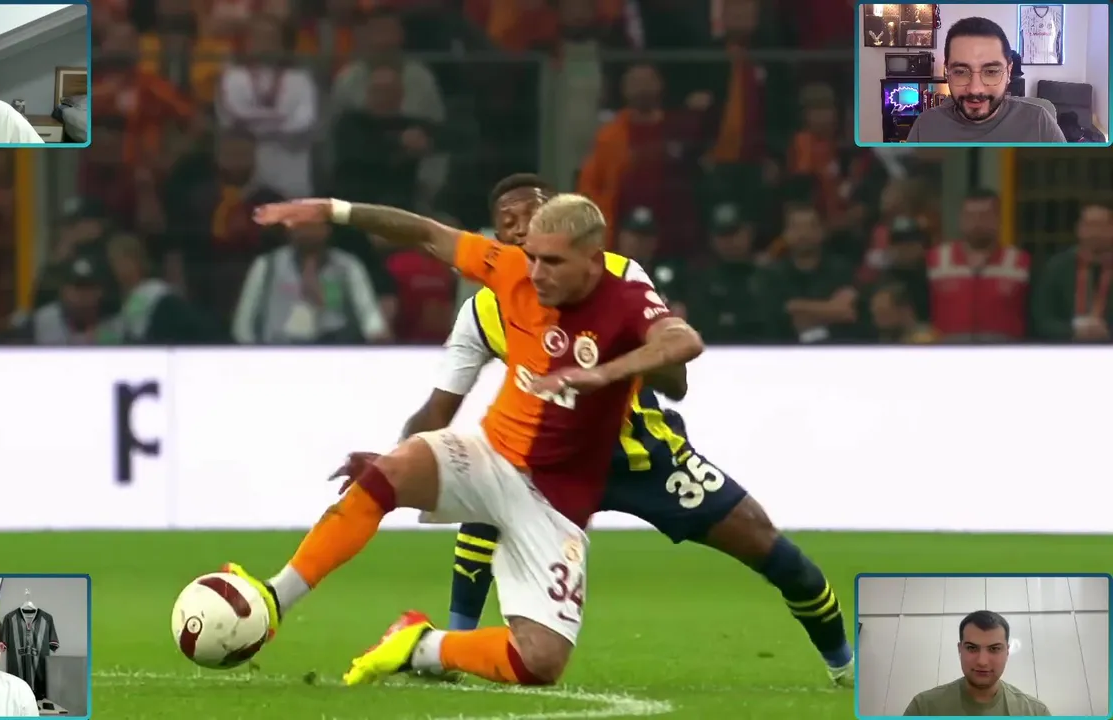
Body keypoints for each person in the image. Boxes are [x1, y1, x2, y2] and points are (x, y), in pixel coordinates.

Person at [340, 176, 856, 687]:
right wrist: (392, 465)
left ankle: (846, 667)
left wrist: (614, 358)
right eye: (508, 223)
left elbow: (676, 382)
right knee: (486, 497)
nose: (521, 231)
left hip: (640, 455)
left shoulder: (620, 279)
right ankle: (445, 647)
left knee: (764, 542)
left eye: (534, 217)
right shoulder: (481, 313)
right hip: (547, 464)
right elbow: (438, 408)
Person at [235, 193, 704, 687]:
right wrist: (336, 211)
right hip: (490, 458)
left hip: (556, 501)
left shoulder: (625, 298)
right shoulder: (511, 269)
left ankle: (421, 645)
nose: (536, 272)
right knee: (388, 474)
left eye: (552, 261)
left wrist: (603, 373)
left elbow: (683, 341)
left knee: (539, 663)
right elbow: (425, 232)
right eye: (533, 257)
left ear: (592, 260)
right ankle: (273, 599)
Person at [904, 18, 1064, 144]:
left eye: (991, 72)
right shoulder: (924, 127)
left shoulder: (1039, 124)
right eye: (960, 72)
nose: (975, 89)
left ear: (1009, 72)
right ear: (947, 72)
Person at [904, 611, 1051, 716]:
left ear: (1007, 652)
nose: (982, 662)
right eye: (971, 648)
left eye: (994, 649)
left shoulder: (1035, 713)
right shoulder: (923, 708)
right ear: (960, 649)